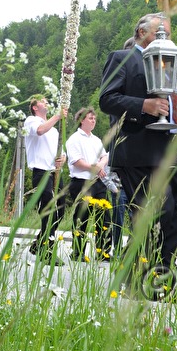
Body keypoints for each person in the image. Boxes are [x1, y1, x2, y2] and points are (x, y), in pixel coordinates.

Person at [99, 12, 177, 294]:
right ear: (142, 32)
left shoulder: (167, 62)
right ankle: (139, 281)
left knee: (173, 218)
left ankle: (159, 281)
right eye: (160, 32)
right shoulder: (123, 58)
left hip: (171, 155)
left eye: (168, 33)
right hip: (138, 151)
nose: (165, 38)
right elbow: (107, 99)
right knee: (152, 215)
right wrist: (145, 106)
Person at [24, 95, 67, 265]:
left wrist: (62, 159)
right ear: (35, 107)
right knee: (49, 209)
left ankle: (38, 244)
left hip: (55, 172)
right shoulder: (31, 120)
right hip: (41, 171)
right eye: (42, 101)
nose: (46, 103)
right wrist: (57, 116)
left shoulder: (55, 130)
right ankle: (46, 250)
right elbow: (40, 131)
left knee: (61, 210)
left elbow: (61, 152)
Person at [65, 107, 112, 262]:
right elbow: (77, 162)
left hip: (98, 183)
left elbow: (105, 157)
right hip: (81, 182)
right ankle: (77, 253)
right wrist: (95, 167)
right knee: (82, 218)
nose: (94, 120)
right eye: (90, 118)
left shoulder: (96, 140)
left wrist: (99, 166)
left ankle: (103, 252)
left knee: (104, 218)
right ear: (81, 120)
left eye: (94, 118)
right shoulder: (73, 139)